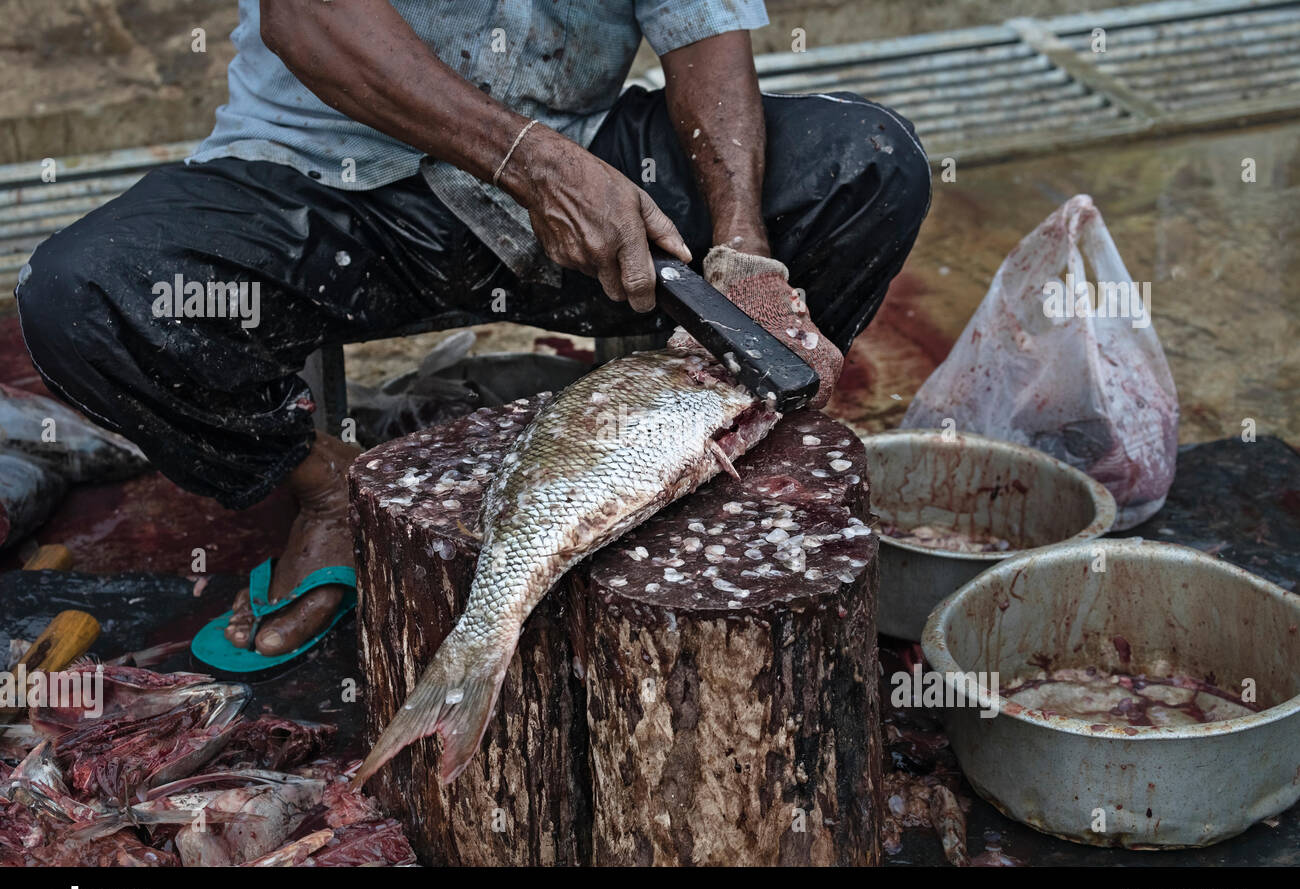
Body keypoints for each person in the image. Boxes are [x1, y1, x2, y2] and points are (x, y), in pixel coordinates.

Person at [16, 0, 930, 664]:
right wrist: (530, 167)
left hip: (586, 172)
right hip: (331, 183)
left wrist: (740, 245)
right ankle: (334, 490)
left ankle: (689, 450)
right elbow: (307, 16)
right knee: (84, 293)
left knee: (866, 165)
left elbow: (705, 32)